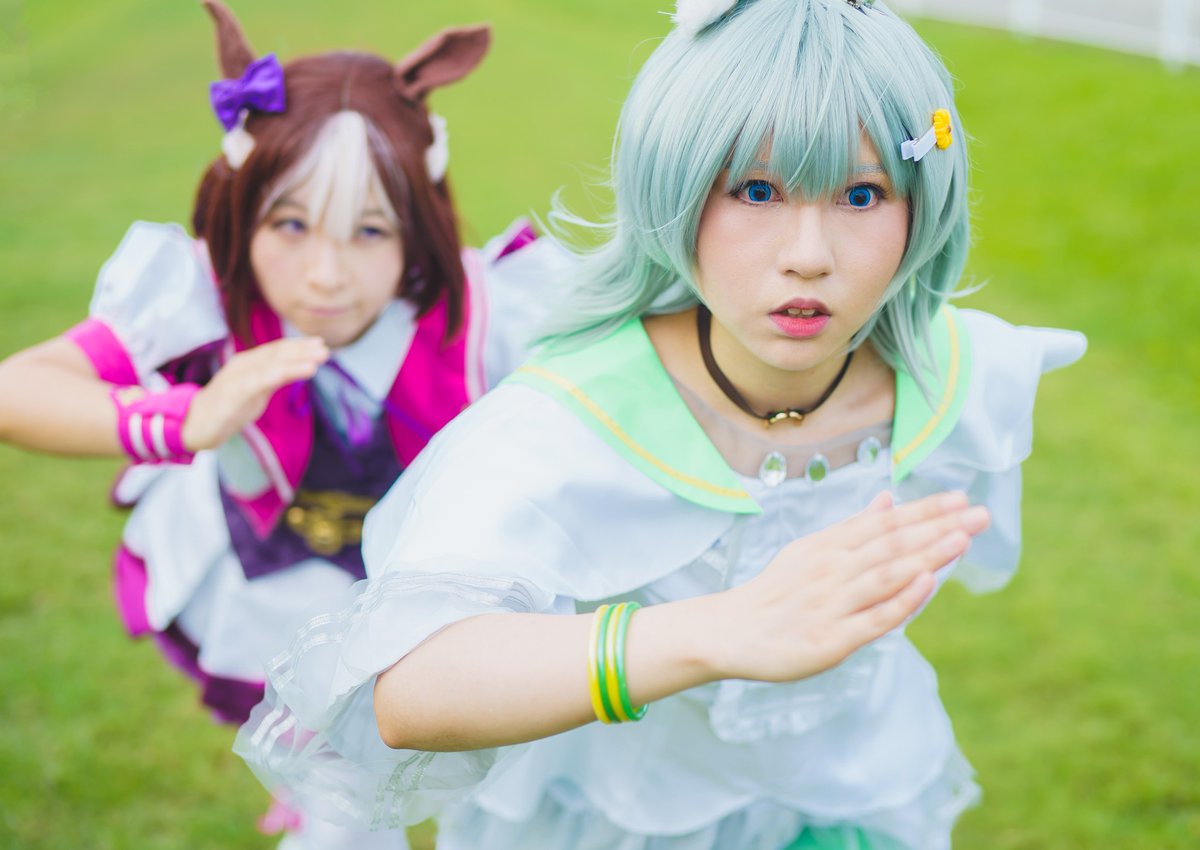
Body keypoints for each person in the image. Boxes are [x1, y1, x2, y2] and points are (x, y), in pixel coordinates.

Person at [235, 1, 1086, 848]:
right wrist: (718, 632)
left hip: (861, 791)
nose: (809, 255)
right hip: (620, 818)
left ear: (922, 204)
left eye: (862, 194)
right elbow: (409, 689)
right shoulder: (568, 421)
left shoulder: (966, 377)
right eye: (756, 190)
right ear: (670, 188)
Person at [0, 2, 564, 848]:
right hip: (272, 575)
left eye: (369, 230)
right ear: (244, 209)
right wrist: (188, 419)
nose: (325, 275)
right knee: (308, 747)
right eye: (291, 224)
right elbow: (17, 390)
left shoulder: (488, 307)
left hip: (423, 593)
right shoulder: (203, 294)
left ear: (416, 229)